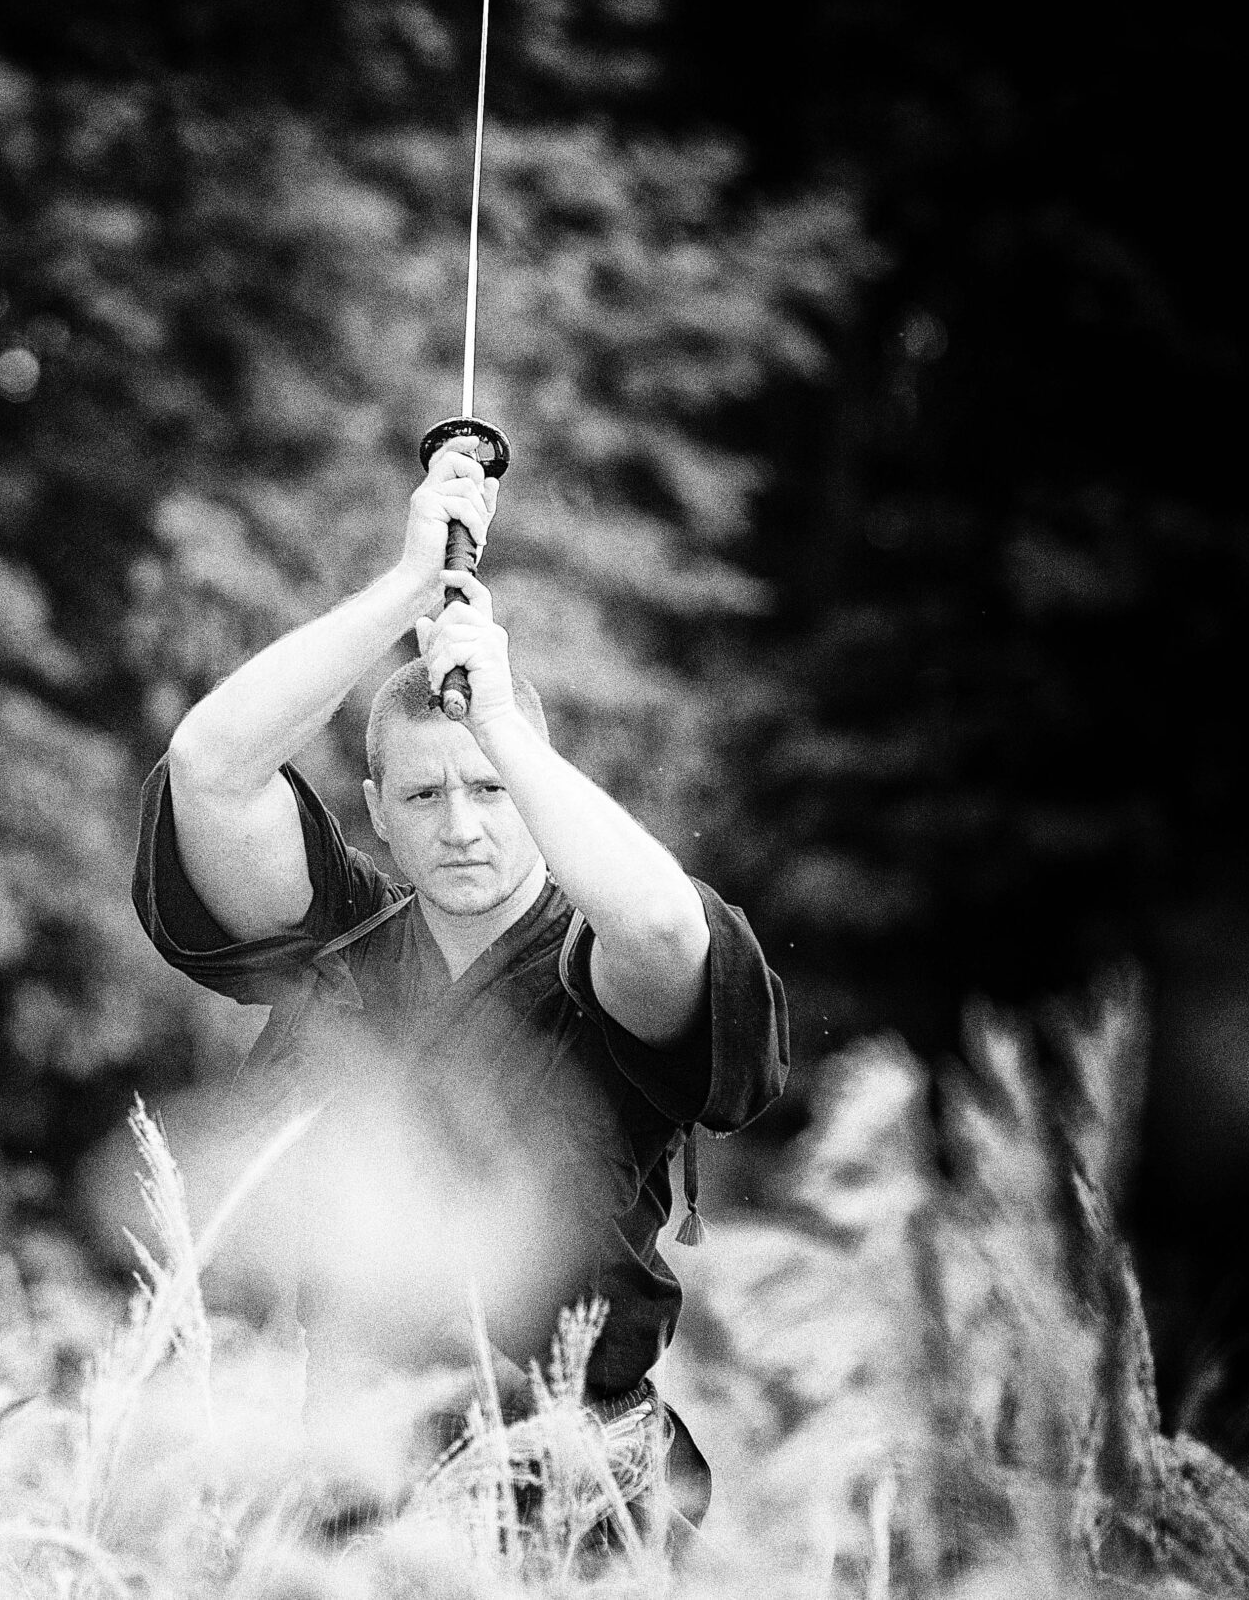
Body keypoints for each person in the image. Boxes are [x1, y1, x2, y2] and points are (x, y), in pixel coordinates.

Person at [129, 437, 788, 1528]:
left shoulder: (597, 963)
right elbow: (209, 769)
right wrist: (405, 586)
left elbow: (666, 928)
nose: (463, 826)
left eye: (491, 789)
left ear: (539, 788)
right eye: (425, 796)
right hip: (354, 1486)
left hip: (574, 1492)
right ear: (378, 812)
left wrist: (496, 722)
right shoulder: (339, 948)